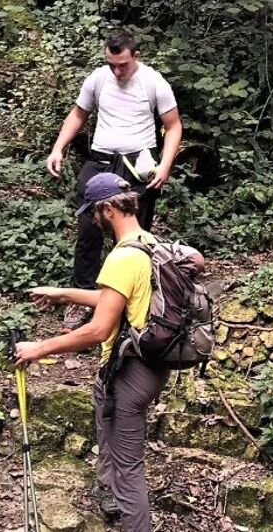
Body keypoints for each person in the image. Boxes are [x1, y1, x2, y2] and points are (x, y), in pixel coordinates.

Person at [15, 172, 177, 532]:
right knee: (119, 459)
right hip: (149, 367)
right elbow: (117, 299)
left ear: (108, 208)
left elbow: (99, 328)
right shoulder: (148, 244)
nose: (92, 220)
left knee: (128, 468)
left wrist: (38, 349)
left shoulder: (122, 257)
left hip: (129, 375)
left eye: (94, 213)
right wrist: (64, 292)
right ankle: (112, 505)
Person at [45, 32, 182, 328]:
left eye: (122, 65)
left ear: (136, 56)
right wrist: (58, 148)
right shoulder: (98, 79)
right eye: (111, 65)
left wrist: (165, 165)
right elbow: (78, 114)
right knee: (88, 231)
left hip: (138, 165)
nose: (117, 72)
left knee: (135, 237)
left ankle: (137, 302)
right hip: (101, 161)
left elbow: (173, 127)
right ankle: (82, 301)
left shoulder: (153, 82)